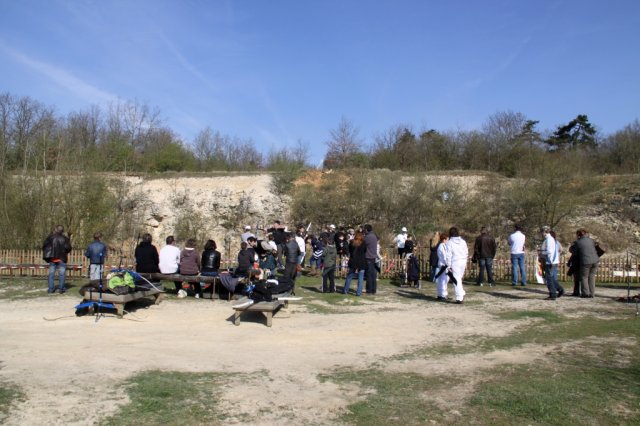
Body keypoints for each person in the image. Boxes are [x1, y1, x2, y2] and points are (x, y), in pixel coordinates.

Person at [42, 225, 72, 294]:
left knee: (51, 274)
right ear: (62, 231)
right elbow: (68, 248)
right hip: (62, 258)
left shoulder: (50, 237)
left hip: (52, 258)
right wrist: (64, 252)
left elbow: (44, 246)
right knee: (62, 274)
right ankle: (61, 289)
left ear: (56, 229)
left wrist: (48, 253)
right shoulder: (65, 238)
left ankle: (51, 289)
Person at [539, 226, 564, 300]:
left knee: (549, 279)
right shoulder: (551, 239)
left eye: (542, 232)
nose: (541, 234)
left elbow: (549, 251)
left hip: (550, 262)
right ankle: (560, 289)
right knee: (551, 278)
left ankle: (553, 294)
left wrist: (541, 252)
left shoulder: (548, 240)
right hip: (553, 261)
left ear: (544, 232)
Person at [575, 228, 600, 298]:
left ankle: (585, 293)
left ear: (578, 235)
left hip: (585, 261)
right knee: (592, 277)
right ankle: (592, 293)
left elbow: (575, 252)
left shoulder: (578, 242)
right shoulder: (591, 240)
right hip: (595, 260)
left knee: (584, 277)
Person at [446, 227, 468, 304]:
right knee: (459, 278)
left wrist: (448, 265)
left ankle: (459, 297)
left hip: (455, 261)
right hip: (463, 261)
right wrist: (466, 261)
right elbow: (466, 252)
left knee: (456, 279)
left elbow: (448, 255)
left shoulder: (449, 243)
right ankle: (461, 292)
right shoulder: (463, 241)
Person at [342, 231, 367, 296]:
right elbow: (365, 251)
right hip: (361, 261)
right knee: (360, 278)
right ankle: (358, 292)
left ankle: (345, 290)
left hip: (353, 261)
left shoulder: (352, 243)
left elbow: (349, 251)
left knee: (349, 276)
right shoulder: (363, 243)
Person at [364, 224, 378, 295]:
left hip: (368, 257)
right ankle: (373, 290)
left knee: (369, 274)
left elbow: (363, 245)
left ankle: (369, 290)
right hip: (373, 257)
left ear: (366, 229)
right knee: (373, 274)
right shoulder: (374, 235)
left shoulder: (368, 237)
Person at [434, 233, 450, 300]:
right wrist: (448, 265)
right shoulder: (442, 246)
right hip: (444, 264)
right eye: (447, 239)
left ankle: (441, 294)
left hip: (443, 264)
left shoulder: (443, 246)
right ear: (444, 240)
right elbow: (445, 257)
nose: (448, 241)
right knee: (444, 280)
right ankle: (442, 295)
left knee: (442, 280)